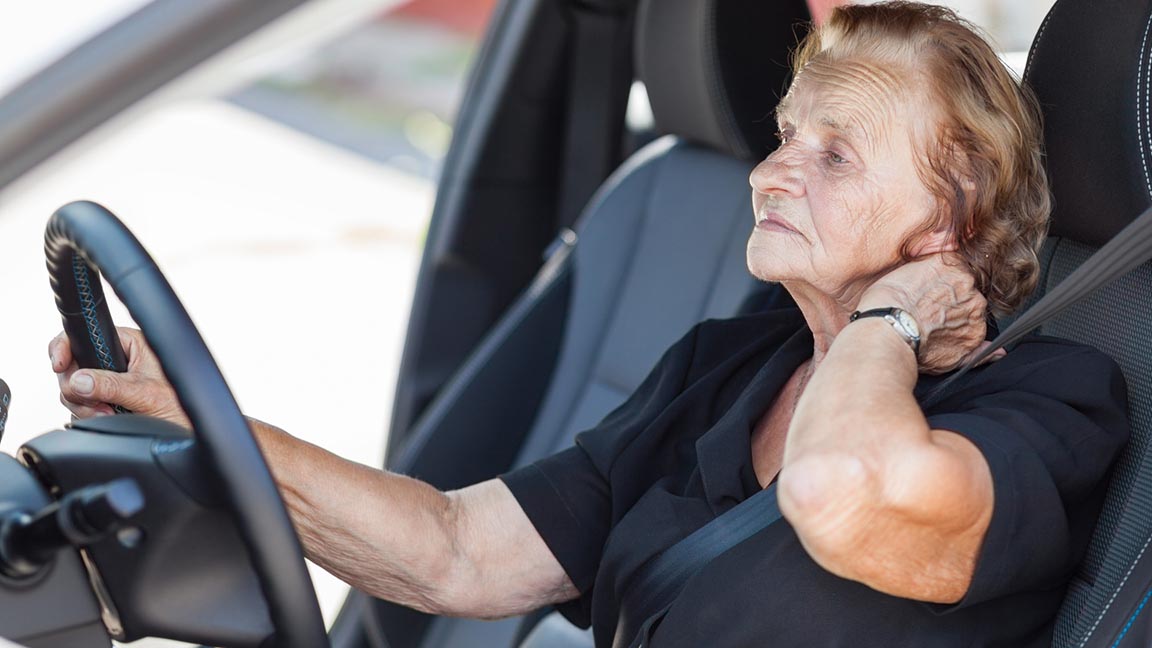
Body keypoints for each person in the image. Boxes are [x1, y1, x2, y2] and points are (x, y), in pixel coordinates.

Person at [49, 2, 1129, 646]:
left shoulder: (1048, 400)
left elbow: (843, 491)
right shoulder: (731, 364)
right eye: (786, 136)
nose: (765, 173)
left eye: (832, 155)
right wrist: (208, 422)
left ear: (950, 217)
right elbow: (459, 551)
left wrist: (887, 322)